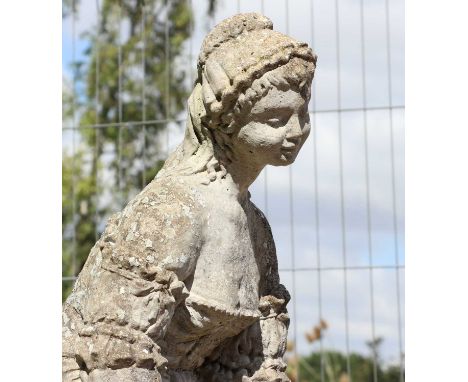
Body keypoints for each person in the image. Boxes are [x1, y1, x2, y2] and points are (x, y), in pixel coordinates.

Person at [62, 13, 317, 382]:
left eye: (302, 114)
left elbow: (251, 363)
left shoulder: (256, 227)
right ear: (227, 122)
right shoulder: (172, 212)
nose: (296, 131)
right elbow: (114, 357)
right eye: (275, 119)